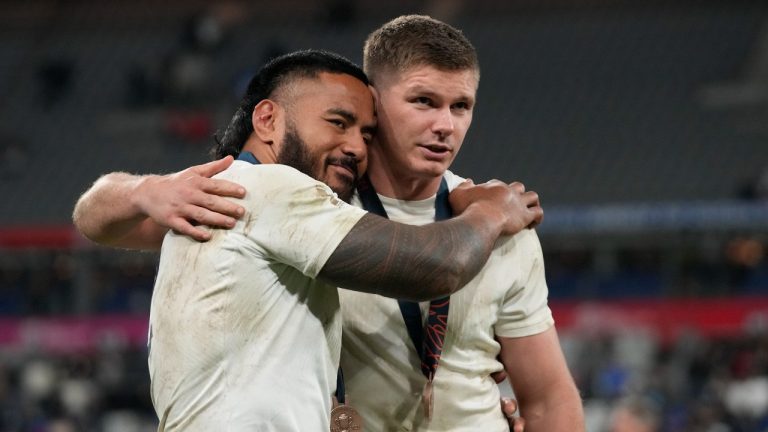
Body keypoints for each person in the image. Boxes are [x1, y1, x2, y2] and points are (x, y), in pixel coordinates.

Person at [73, 16, 582, 431]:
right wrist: (144, 189)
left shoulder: (502, 235)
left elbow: (548, 399)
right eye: (423, 101)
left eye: (461, 106)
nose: (444, 124)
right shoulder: (300, 200)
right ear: (376, 106)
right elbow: (96, 218)